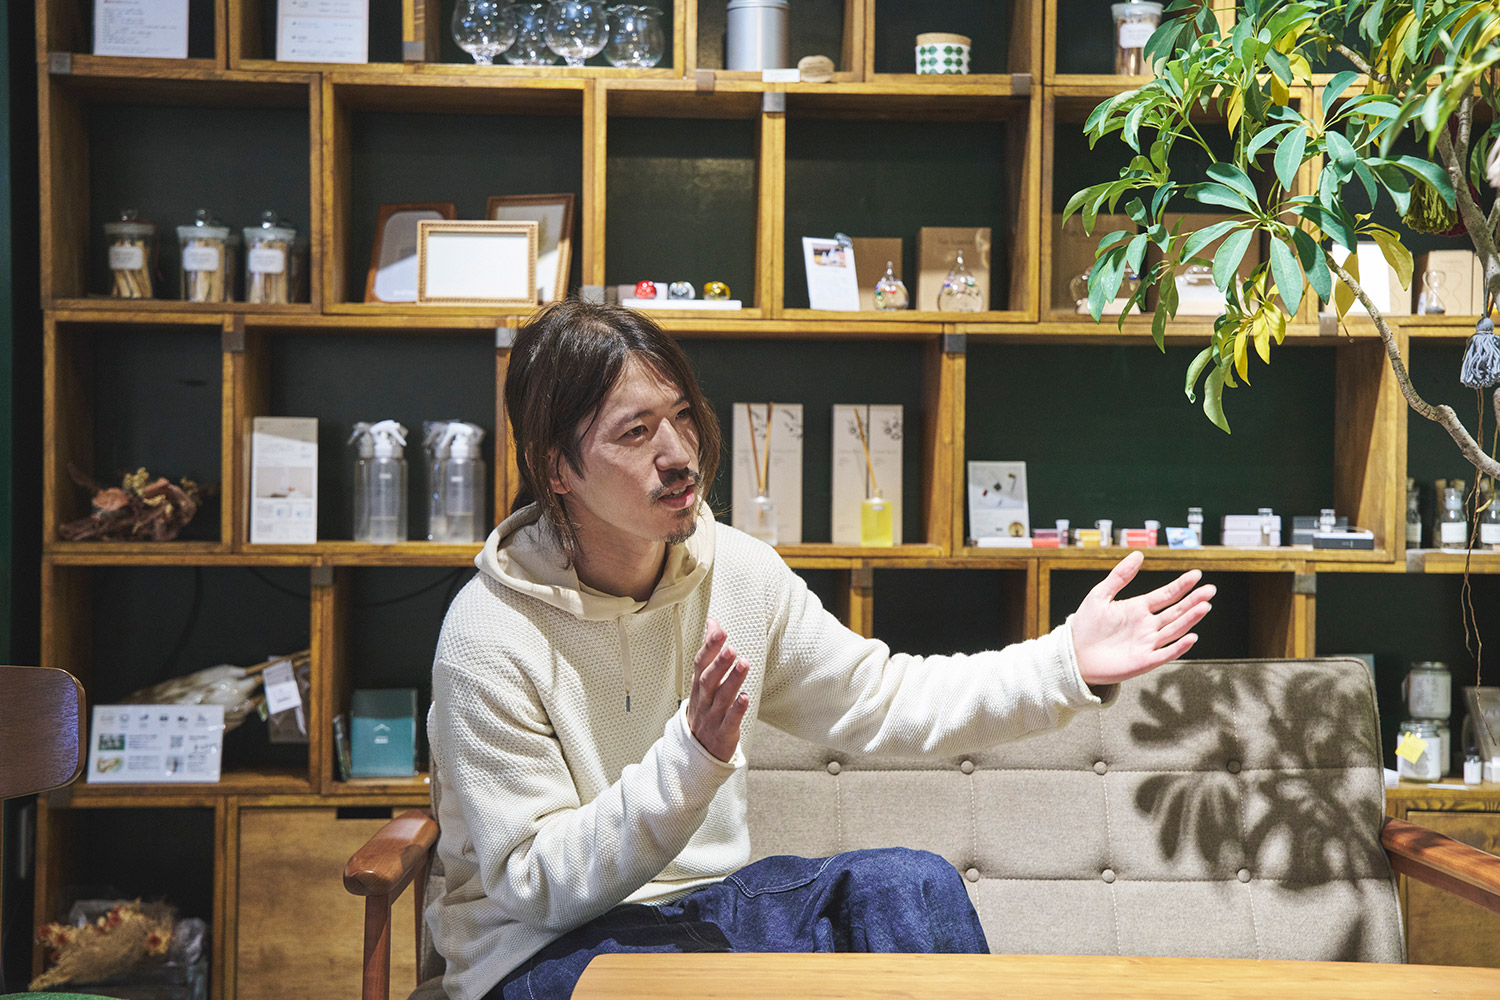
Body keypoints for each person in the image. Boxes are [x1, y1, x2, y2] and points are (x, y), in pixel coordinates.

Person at [426, 300, 1215, 1000]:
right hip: (544, 949)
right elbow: (536, 885)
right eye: (636, 432)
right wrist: (691, 759)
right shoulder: (488, 634)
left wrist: (1064, 663)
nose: (680, 454)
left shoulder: (737, 572)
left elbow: (885, 698)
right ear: (557, 467)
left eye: (682, 416)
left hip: (708, 909)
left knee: (910, 886)